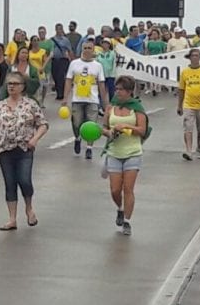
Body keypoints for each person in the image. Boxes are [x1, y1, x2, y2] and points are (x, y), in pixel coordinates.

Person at [0, 72, 49, 231]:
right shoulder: (0, 106)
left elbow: (43, 124)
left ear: (22, 87)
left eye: (15, 83)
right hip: (4, 150)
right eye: (9, 84)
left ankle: (29, 208)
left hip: (24, 148)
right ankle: (12, 219)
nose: (11, 86)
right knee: (10, 183)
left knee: (24, 180)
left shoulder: (30, 104)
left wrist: (35, 139)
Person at [100, 76, 148, 236]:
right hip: (114, 151)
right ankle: (120, 209)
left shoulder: (137, 108)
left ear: (129, 92)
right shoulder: (110, 108)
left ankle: (127, 221)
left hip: (132, 152)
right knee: (115, 190)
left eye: (121, 89)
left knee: (128, 188)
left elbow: (142, 130)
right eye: (117, 89)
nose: (117, 92)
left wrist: (126, 126)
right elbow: (104, 128)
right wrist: (109, 132)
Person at [62, 40, 108, 160]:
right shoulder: (74, 64)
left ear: (93, 50)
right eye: (85, 48)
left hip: (92, 99)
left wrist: (105, 102)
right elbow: (68, 80)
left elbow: (101, 84)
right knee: (76, 123)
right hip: (77, 99)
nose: (87, 50)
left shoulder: (98, 66)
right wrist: (65, 97)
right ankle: (77, 138)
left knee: (91, 124)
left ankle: (89, 148)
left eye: (89, 48)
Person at [177, 48, 200, 160]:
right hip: (189, 104)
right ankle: (188, 150)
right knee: (188, 126)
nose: (195, 58)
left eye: (197, 55)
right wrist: (179, 105)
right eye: (193, 55)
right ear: (190, 57)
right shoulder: (184, 72)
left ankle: (198, 148)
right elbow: (181, 89)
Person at [50, 24, 74, 100]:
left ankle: (61, 94)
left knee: (61, 76)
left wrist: (72, 61)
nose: (59, 30)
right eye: (57, 29)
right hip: (54, 60)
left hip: (63, 60)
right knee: (55, 76)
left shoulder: (65, 40)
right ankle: (58, 91)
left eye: (60, 29)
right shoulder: (52, 40)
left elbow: (70, 50)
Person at [26, 37, 50, 104]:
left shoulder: (42, 51)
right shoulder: (28, 52)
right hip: (32, 72)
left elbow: (45, 61)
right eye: (34, 40)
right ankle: (35, 102)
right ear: (31, 42)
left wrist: (43, 68)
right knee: (35, 88)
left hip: (40, 71)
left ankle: (42, 101)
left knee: (44, 87)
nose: (36, 42)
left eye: (37, 40)